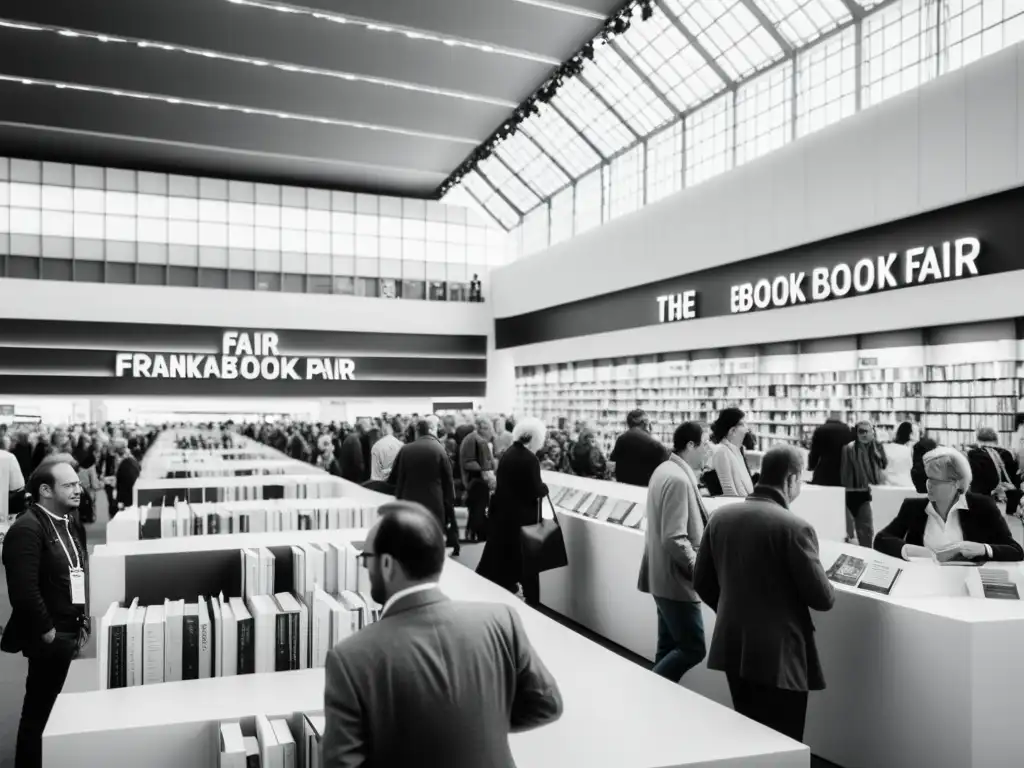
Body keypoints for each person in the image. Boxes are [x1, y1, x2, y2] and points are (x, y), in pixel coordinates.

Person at [323, 502, 562, 767]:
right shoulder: (501, 620)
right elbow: (547, 703)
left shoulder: (350, 658)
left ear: (388, 564)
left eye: (366, 558)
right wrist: (480, 726)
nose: (366, 568)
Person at [694, 445, 835, 743]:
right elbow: (823, 599)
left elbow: (701, 581)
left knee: (749, 734)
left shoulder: (720, 518)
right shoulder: (795, 528)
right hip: (781, 654)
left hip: (733, 645)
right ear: (791, 479)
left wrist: (733, 611)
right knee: (785, 738)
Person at [1, 460, 91, 768]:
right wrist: (47, 630)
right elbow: (24, 590)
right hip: (50, 635)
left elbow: (77, 571)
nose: (78, 490)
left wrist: (83, 619)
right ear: (45, 490)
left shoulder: (65, 521)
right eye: (69, 485)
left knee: (55, 710)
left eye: (78, 484)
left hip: (69, 628)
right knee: (39, 712)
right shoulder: (27, 528)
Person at [637, 421, 713, 683]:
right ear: (690, 445)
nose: (709, 450)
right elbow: (674, 537)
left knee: (668, 646)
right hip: (676, 580)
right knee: (693, 648)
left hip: (661, 575)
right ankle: (649, 692)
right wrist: (698, 569)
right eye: (705, 444)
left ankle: (657, 703)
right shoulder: (679, 479)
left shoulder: (664, 470)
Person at [874, 446, 1024, 562]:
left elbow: (1015, 550)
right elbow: (881, 539)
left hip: (965, 590)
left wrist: (983, 549)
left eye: (936, 481)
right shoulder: (913, 507)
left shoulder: (982, 507)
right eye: (928, 479)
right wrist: (914, 551)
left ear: (957, 483)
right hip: (921, 586)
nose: (929, 485)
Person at [475, 418, 550, 606]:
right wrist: (545, 488)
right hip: (522, 520)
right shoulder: (529, 458)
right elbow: (535, 489)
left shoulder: (509, 453)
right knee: (527, 565)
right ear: (536, 437)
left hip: (504, 518)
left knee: (503, 561)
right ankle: (532, 602)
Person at [390, 416, 458, 554]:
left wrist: (398, 500)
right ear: (429, 431)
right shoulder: (439, 449)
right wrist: (449, 504)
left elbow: (398, 478)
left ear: (417, 433)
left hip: (410, 502)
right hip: (434, 502)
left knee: (411, 540)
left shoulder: (406, 450)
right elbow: (447, 481)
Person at [839, 421, 887, 546]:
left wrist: (876, 450)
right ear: (857, 433)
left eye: (868, 431)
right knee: (849, 533)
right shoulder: (849, 448)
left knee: (866, 530)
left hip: (867, 493)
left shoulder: (877, 447)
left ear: (873, 432)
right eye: (861, 431)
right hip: (851, 492)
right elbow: (845, 473)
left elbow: (884, 464)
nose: (864, 434)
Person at [610, 409, 670, 488]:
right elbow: (666, 463)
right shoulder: (653, 441)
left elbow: (612, 460)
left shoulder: (621, 439)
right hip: (646, 487)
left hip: (624, 486)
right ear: (645, 422)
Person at [459, 416, 496, 542]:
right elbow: (482, 468)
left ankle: (471, 535)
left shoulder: (469, 438)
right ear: (484, 428)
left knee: (474, 512)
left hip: (471, 483)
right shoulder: (480, 441)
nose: (492, 433)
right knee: (479, 512)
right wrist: (491, 479)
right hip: (479, 483)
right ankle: (477, 538)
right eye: (490, 429)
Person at [967, 426, 1021, 511]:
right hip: (1007, 503)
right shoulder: (1007, 453)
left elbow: (973, 479)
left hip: (983, 501)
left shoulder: (973, 454)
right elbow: (1015, 478)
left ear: (977, 439)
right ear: (996, 438)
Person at [709, 408, 754, 497]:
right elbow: (729, 492)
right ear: (732, 431)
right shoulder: (722, 452)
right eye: (743, 424)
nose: (747, 429)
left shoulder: (737, 451)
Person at [807, 411, 854, 487]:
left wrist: (811, 466)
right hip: (842, 471)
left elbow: (814, 452)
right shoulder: (848, 430)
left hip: (824, 471)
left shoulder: (820, 430)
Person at [369, 417, 403, 484]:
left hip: (383, 488)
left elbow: (375, 476)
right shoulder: (403, 445)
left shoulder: (377, 446)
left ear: (387, 427)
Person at [883, 421, 915, 487]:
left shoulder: (886, 447)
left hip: (888, 484)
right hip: (906, 485)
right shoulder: (908, 450)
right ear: (910, 434)